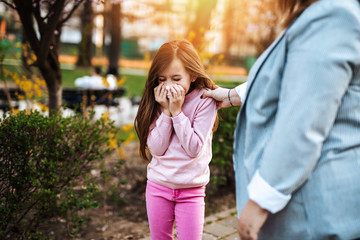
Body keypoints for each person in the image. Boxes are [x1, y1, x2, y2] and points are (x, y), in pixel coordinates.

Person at [202, 0, 360, 239]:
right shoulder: (324, 14)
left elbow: (303, 123)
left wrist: (262, 199)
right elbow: (294, 78)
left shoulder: (331, 14)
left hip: (315, 209)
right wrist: (229, 96)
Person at [134, 39, 218, 240]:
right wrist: (166, 112)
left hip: (191, 190)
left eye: (176, 78)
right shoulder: (158, 99)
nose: (168, 86)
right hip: (158, 186)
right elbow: (157, 148)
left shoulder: (205, 101)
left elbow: (194, 148)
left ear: (193, 75)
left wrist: (177, 113)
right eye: (162, 79)